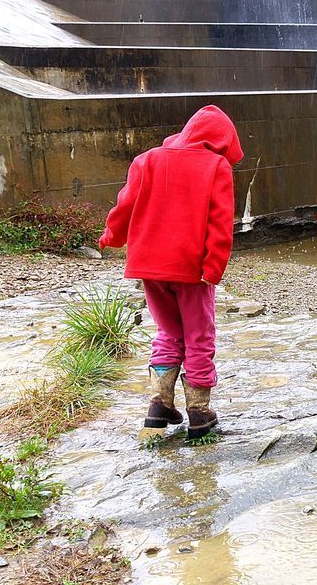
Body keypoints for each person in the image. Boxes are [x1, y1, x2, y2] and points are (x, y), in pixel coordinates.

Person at [97, 105, 243, 441]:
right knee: (199, 336)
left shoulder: (146, 160)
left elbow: (125, 206)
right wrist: (214, 268)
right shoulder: (216, 166)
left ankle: (159, 405)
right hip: (192, 270)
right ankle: (199, 413)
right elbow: (220, 224)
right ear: (221, 142)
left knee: (168, 332)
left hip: (150, 267)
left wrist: (112, 237)